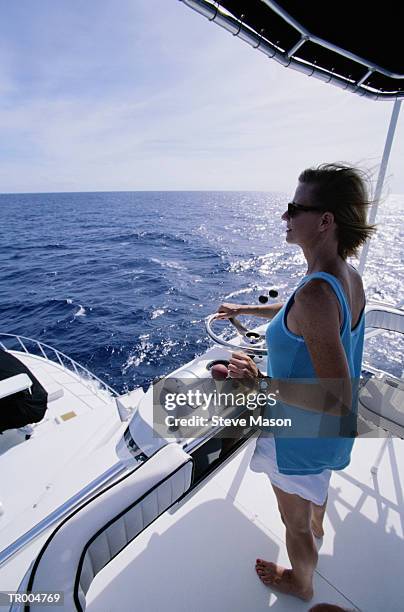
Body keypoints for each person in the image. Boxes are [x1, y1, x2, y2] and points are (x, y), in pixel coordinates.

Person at [217, 163, 376, 601]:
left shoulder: (315, 293)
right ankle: (318, 523)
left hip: (300, 436)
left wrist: (256, 385)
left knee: (293, 523)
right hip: (326, 440)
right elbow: (299, 317)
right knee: (314, 497)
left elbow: (334, 397)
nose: (284, 217)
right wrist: (246, 310)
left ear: (325, 221)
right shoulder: (344, 276)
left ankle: (301, 582)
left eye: (294, 208)